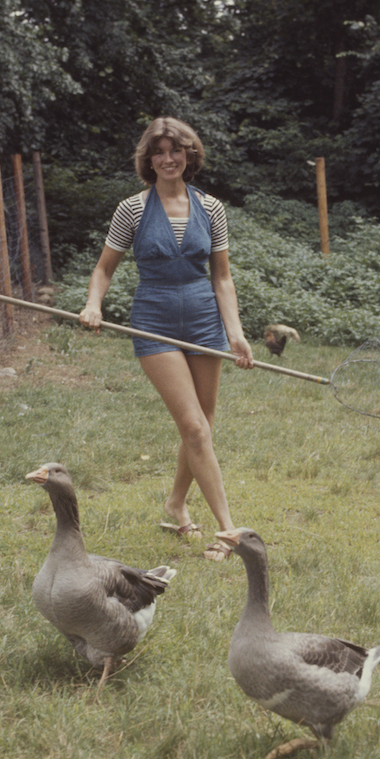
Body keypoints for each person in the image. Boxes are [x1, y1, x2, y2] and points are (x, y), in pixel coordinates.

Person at [79, 117, 253, 561]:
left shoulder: (211, 209)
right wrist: (94, 304)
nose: (168, 158)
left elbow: (223, 278)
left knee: (202, 425)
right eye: (159, 151)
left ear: (189, 155)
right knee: (194, 427)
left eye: (176, 150)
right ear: (148, 159)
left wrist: (235, 334)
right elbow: (104, 268)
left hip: (204, 322)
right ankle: (228, 530)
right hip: (154, 322)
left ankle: (175, 502)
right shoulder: (132, 209)